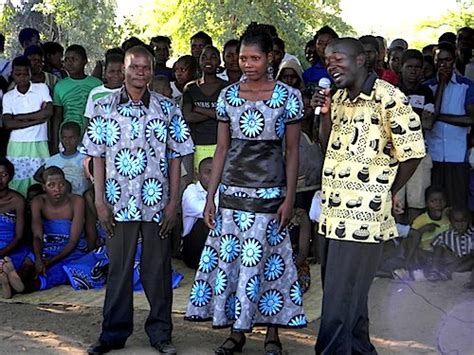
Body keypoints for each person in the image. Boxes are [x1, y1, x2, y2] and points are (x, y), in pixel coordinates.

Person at [185, 23, 307, 355]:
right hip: (232, 194)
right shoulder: (228, 96)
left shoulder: (289, 97)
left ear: (270, 58)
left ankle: (272, 335)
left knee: (269, 263)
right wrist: (210, 196)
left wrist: (290, 197)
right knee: (233, 263)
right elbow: (221, 149)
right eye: (242, 58)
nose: (247, 64)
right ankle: (236, 333)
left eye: (254, 58)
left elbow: (292, 151)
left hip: (270, 193)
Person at [312, 37, 426, 354]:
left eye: (339, 59)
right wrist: (324, 114)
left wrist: (387, 189)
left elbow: (414, 152)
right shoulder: (339, 98)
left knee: (337, 300)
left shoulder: (389, 98)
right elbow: (327, 146)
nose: (331, 65)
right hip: (332, 215)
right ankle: (361, 350)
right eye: (328, 61)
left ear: (361, 60)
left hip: (362, 217)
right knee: (349, 297)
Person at [83, 45, 194, 355]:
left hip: (156, 203)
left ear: (152, 70)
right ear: (123, 70)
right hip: (117, 204)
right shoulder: (103, 108)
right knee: (118, 268)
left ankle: (161, 334)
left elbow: (177, 156)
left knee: (157, 269)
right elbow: (96, 157)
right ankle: (112, 335)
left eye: (146, 67)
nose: (140, 72)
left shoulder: (167, 107)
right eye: (134, 67)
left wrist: (173, 202)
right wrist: (100, 200)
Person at [12, 166, 86, 295]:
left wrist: (48, 262)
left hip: (70, 250)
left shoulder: (77, 201)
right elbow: (37, 236)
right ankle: (15, 281)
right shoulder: (38, 201)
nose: (57, 189)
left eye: (61, 184)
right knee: (28, 265)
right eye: (51, 185)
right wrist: (39, 259)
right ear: (44, 187)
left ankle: (24, 286)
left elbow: (73, 241)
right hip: (46, 247)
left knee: (58, 271)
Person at [424, 41, 474, 208]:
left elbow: (471, 119)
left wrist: (438, 117)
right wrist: (441, 86)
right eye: (440, 60)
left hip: (458, 155)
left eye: (448, 60)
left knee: (458, 203)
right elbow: (426, 122)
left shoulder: (466, 86)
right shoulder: (427, 88)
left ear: (455, 59)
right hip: (433, 154)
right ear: (434, 61)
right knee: (434, 204)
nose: (444, 64)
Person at [2, 56, 53, 197]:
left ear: (30, 73)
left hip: (39, 142)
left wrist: (19, 118)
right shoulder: (9, 96)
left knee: (41, 181)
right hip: (16, 145)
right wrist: (38, 119)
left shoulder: (41, 88)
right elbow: (8, 123)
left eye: (25, 74)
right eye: (18, 74)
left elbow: (49, 112)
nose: (22, 77)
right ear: (12, 74)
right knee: (17, 183)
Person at [395, 49, 435, 222]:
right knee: (395, 202)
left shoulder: (426, 92)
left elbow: (428, 123)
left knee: (417, 203)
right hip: (395, 153)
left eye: (417, 67)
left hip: (419, 152)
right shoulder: (392, 91)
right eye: (409, 66)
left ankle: (413, 244)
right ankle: (396, 245)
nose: (413, 71)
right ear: (401, 68)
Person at [182, 45, 227, 175]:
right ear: (199, 61)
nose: (208, 61)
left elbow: (228, 116)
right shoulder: (190, 88)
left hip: (221, 145)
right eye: (204, 57)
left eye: (213, 57)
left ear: (219, 61)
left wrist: (200, 109)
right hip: (198, 145)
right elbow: (188, 117)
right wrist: (216, 114)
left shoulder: (226, 88)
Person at [51, 45, 102, 153]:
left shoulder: (97, 84)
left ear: (85, 61)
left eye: (74, 59)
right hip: (67, 139)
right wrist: (55, 144)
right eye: (66, 60)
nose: (69, 63)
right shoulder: (59, 86)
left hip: (92, 137)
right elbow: (57, 117)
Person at [0, 158, 29, 299]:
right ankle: (4, 272)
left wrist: (2, 252)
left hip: (11, 248)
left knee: (23, 265)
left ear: (10, 176)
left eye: (4, 175)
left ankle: (5, 272)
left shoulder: (17, 200)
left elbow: (19, 236)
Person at [181, 157, 218, 269]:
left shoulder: (221, 190)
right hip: (193, 250)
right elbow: (209, 211)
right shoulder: (191, 191)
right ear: (198, 175)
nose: (212, 178)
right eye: (207, 173)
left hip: (213, 250)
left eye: (215, 173)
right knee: (205, 222)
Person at [34, 122, 89, 196]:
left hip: (80, 198)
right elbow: (37, 176)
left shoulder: (85, 159)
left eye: (71, 137)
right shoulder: (53, 160)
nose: (67, 141)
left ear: (79, 138)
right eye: (64, 137)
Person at [429, 207, 474, 287]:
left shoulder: (472, 234)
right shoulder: (447, 235)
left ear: (469, 221)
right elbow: (435, 244)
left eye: (463, 221)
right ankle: (434, 270)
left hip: (466, 264)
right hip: (452, 260)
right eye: (457, 222)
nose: (460, 225)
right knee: (439, 247)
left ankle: (449, 272)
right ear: (451, 222)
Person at [409, 186, 450, 271]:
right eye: (433, 201)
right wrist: (423, 229)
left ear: (446, 202)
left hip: (442, 253)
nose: (438, 204)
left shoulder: (448, 218)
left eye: (441, 201)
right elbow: (410, 238)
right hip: (425, 251)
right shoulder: (421, 220)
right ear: (426, 203)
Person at [84, 53, 124, 122]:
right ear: (105, 73)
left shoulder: (129, 92)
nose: (116, 75)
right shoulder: (95, 93)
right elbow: (89, 117)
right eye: (112, 71)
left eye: (120, 71)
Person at [303, 26, 338, 90]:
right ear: (315, 46)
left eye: (328, 42)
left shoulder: (345, 70)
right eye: (320, 43)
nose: (324, 46)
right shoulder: (308, 74)